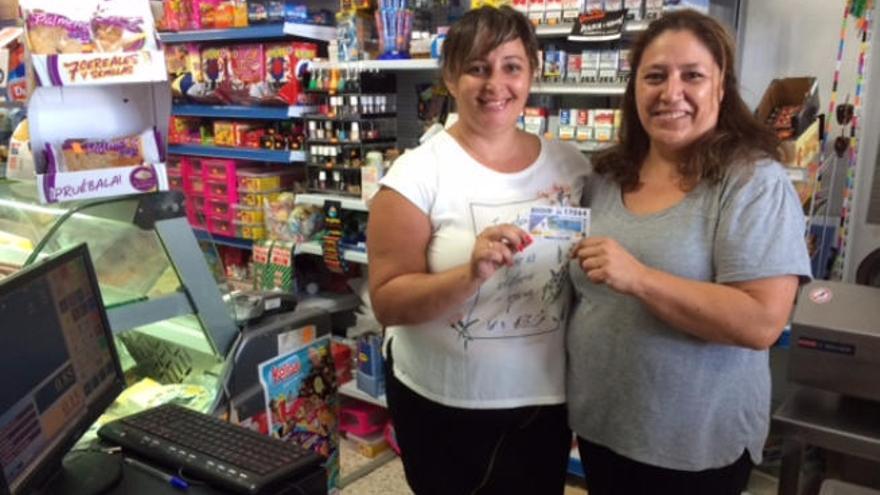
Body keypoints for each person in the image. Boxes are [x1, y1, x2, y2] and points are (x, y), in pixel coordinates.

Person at [567, 9, 812, 495]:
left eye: (692, 76)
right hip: (601, 429)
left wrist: (640, 278)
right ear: (634, 87)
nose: (670, 92)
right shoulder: (606, 176)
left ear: (721, 88)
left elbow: (761, 322)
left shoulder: (751, 182)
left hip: (692, 448)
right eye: (654, 76)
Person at [367, 6, 589, 494]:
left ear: (532, 72)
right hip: (444, 403)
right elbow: (387, 300)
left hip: (543, 401)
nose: (496, 84)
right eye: (477, 68)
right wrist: (469, 273)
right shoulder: (416, 174)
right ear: (449, 76)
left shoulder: (571, 167)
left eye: (511, 66)